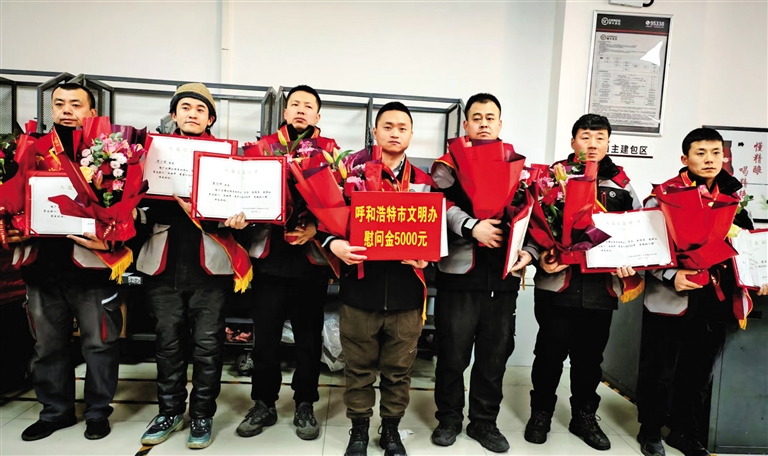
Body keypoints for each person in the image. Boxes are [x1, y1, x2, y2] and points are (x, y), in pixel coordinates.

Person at [635, 127, 767, 456]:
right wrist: (671, 275)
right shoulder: (663, 196)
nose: (710, 160)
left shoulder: (733, 198)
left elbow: (747, 246)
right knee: (660, 370)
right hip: (672, 296)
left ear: (724, 156)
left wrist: (759, 275)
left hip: (714, 299)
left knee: (699, 372)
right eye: (701, 153)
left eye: (716, 153)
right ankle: (650, 430)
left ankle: (684, 432)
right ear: (685, 158)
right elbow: (643, 249)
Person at [136, 83, 249, 449]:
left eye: (201, 110)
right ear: (174, 114)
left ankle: (202, 414)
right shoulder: (152, 154)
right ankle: (169, 411)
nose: (192, 114)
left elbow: (236, 204)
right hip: (163, 264)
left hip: (210, 267)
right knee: (167, 345)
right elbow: (138, 207)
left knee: (207, 346)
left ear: (210, 119)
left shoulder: (228, 160)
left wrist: (238, 219)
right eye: (185, 107)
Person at [321, 102, 433, 456]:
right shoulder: (348, 174)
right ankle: (358, 429)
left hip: (406, 295)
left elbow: (436, 239)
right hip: (360, 292)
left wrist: (427, 257)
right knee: (358, 369)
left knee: (399, 371)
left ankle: (391, 430)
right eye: (387, 126)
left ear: (411, 134)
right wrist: (335, 244)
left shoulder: (424, 182)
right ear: (375, 132)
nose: (395, 133)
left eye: (402, 127)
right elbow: (323, 221)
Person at [525, 114, 642, 451]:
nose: (592, 144)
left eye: (600, 138)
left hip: (600, 289)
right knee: (548, 354)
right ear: (573, 141)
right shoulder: (553, 178)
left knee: (590, 359)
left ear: (608, 143)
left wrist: (629, 263)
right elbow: (534, 224)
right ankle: (541, 413)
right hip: (558, 283)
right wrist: (541, 254)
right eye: (586, 137)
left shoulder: (621, 184)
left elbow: (636, 230)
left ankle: (584, 417)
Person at [17, 83, 123, 442]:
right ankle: (55, 411)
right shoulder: (30, 149)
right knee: (47, 346)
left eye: (75, 104)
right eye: (59, 103)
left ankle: (97, 411)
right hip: (41, 265)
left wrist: (112, 234)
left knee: (100, 345)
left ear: (92, 112)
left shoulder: (109, 153)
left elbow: (125, 211)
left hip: (91, 266)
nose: (66, 110)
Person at [429, 93, 532, 453]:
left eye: (490, 117)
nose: (484, 123)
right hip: (459, 275)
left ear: (500, 124)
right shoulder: (447, 165)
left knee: (494, 355)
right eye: (477, 117)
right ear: (466, 124)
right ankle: (448, 419)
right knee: (452, 353)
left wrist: (530, 252)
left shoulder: (517, 165)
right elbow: (438, 205)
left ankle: (484, 422)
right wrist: (473, 226)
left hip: (502, 278)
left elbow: (532, 215)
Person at [236, 85, 338, 441]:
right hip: (269, 261)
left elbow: (341, 203)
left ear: (317, 116)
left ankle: (305, 403)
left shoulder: (331, 153)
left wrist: (316, 227)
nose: (300, 110)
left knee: (309, 341)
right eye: (295, 104)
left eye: (308, 106)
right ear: (284, 111)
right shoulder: (261, 150)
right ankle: (263, 402)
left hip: (310, 263)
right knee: (265, 341)